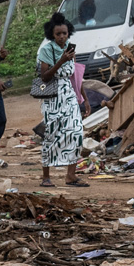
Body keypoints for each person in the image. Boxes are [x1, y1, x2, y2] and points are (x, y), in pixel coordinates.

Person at [34, 13, 86, 187]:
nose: (62, 37)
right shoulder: (46, 50)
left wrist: (83, 97)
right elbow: (45, 77)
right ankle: (46, 177)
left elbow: (75, 76)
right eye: (58, 34)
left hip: (69, 95)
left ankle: (71, 175)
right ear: (52, 34)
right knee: (51, 135)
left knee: (76, 133)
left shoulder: (70, 49)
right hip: (52, 97)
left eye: (64, 33)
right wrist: (61, 61)